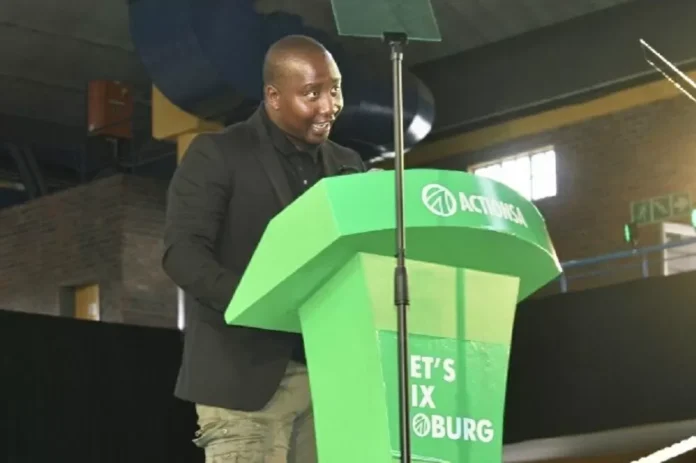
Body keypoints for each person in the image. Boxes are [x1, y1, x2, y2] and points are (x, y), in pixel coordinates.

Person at [162, 34, 366, 462]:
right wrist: (262, 304)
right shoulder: (217, 154)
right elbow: (183, 256)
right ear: (273, 96)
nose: (329, 105)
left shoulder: (349, 166)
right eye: (312, 93)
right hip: (243, 383)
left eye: (335, 90)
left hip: (329, 381)